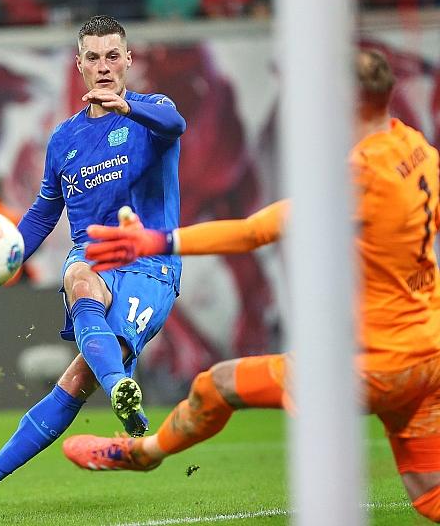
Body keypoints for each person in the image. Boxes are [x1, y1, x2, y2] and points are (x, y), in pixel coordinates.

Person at [63, 49, 440, 523]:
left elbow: (253, 233)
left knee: (216, 385)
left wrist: (154, 241)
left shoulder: (360, 175)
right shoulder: (417, 148)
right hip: (429, 356)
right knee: (430, 496)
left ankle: (142, 453)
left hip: (376, 367)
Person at [0, 14, 187, 518]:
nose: (104, 66)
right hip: (93, 256)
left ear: (128, 60)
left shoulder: (154, 113)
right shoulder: (64, 140)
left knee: (79, 378)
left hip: (151, 265)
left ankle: (117, 385)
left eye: (112, 56)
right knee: (77, 276)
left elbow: (176, 126)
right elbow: (42, 213)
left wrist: (129, 107)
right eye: (93, 57)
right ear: (79, 65)